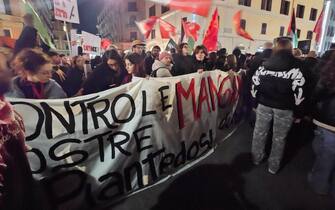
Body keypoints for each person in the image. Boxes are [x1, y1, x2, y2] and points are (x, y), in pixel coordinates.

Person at [251, 38, 306, 174]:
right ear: (290, 48)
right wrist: (299, 113)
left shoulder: (264, 64)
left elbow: (254, 84)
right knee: (279, 138)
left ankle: (256, 158)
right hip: (285, 108)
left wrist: (254, 103)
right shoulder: (298, 66)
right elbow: (300, 91)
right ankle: (273, 166)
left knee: (259, 133)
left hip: (264, 104)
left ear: (275, 48)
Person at [308, 53, 335, 196]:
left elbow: (315, 95)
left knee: (325, 156)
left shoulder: (328, 75)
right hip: (327, 122)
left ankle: (320, 185)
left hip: (327, 123)